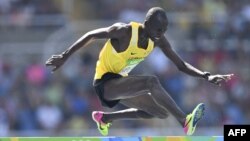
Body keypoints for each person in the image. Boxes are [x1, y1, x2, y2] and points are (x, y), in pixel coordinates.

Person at [45, 7, 233, 136]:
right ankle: (185, 121)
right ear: (147, 23)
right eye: (158, 28)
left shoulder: (157, 40)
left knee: (159, 112)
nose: (161, 33)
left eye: (164, 29)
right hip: (105, 83)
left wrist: (206, 75)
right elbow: (92, 35)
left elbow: (181, 65)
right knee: (150, 82)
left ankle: (104, 118)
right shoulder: (125, 31)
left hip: (121, 83)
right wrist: (65, 55)